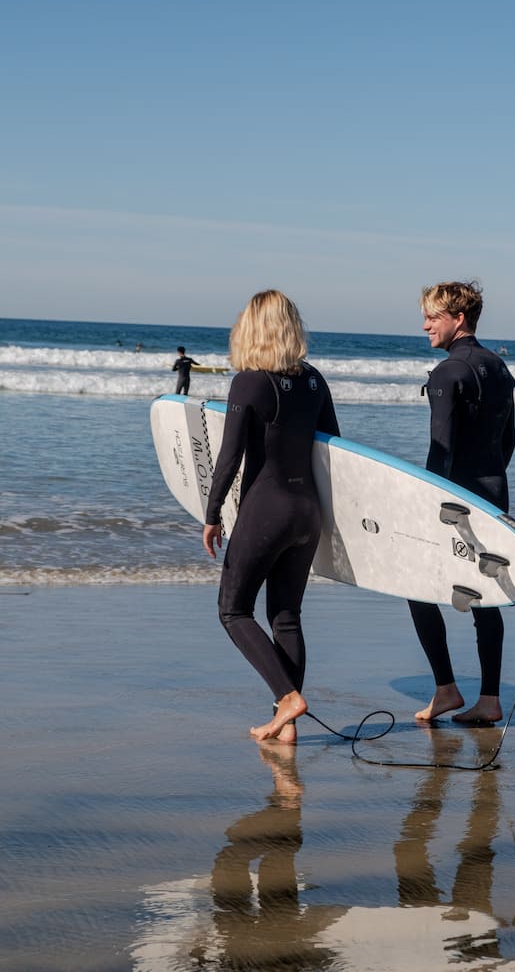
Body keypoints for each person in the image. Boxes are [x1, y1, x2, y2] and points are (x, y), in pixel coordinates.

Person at [202, 290, 339, 743]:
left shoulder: (250, 382)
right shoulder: (315, 381)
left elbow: (229, 458)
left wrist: (212, 514)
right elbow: (334, 453)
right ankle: (287, 725)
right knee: (286, 616)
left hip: (267, 509)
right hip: (307, 512)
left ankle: (288, 698)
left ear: (252, 329)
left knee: (233, 610)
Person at [409, 280, 515, 726]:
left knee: (415, 586)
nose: (425, 325)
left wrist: (431, 502)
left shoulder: (447, 372)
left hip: (453, 502)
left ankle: (446, 689)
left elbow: (441, 450)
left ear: (458, 318)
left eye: (432, 317)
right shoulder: (499, 368)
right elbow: (508, 443)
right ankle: (489, 699)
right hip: (494, 495)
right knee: (486, 595)